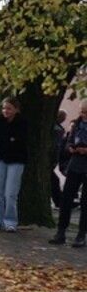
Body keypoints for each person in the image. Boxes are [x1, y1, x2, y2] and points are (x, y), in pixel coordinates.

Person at [0, 96, 28, 233]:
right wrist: (7, 140)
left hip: (16, 160)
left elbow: (22, 141)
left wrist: (6, 140)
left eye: (9, 108)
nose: (6, 111)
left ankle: (10, 221)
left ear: (16, 109)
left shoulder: (22, 123)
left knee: (11, 193)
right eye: (4, 108)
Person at [49, 101, 87, 247]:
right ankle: (61, 231)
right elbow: (69, 140)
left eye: (86, 112)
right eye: (81, 112)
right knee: (66, 198)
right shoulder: (77, 124)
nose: (83, 115)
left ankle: (81, 234)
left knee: (85, 201)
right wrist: (71, 147)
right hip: (75, 164)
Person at [51, 110, 68, 209]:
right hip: (52, 159)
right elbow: (57, 146)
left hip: (52, 159)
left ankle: (59, 200)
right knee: (54, 180)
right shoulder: (58, 130)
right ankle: (59, 201)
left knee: (54, 179)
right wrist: (55, 160)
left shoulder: (54, 127)